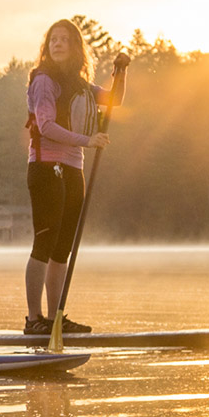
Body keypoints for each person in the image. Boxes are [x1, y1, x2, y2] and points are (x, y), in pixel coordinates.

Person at [25, 19, 128, 336]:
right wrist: (89, 141)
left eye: (64, 40)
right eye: (52, 39)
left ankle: (57, 318)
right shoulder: (44, 81)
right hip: (46, 168)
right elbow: (46, 126)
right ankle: (34, 320)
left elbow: (114, 100)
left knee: (62, 248)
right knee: (45, 243)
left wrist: (121, 71)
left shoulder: (81, 85)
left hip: (73, 170)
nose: (57, 44)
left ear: (74, 47)